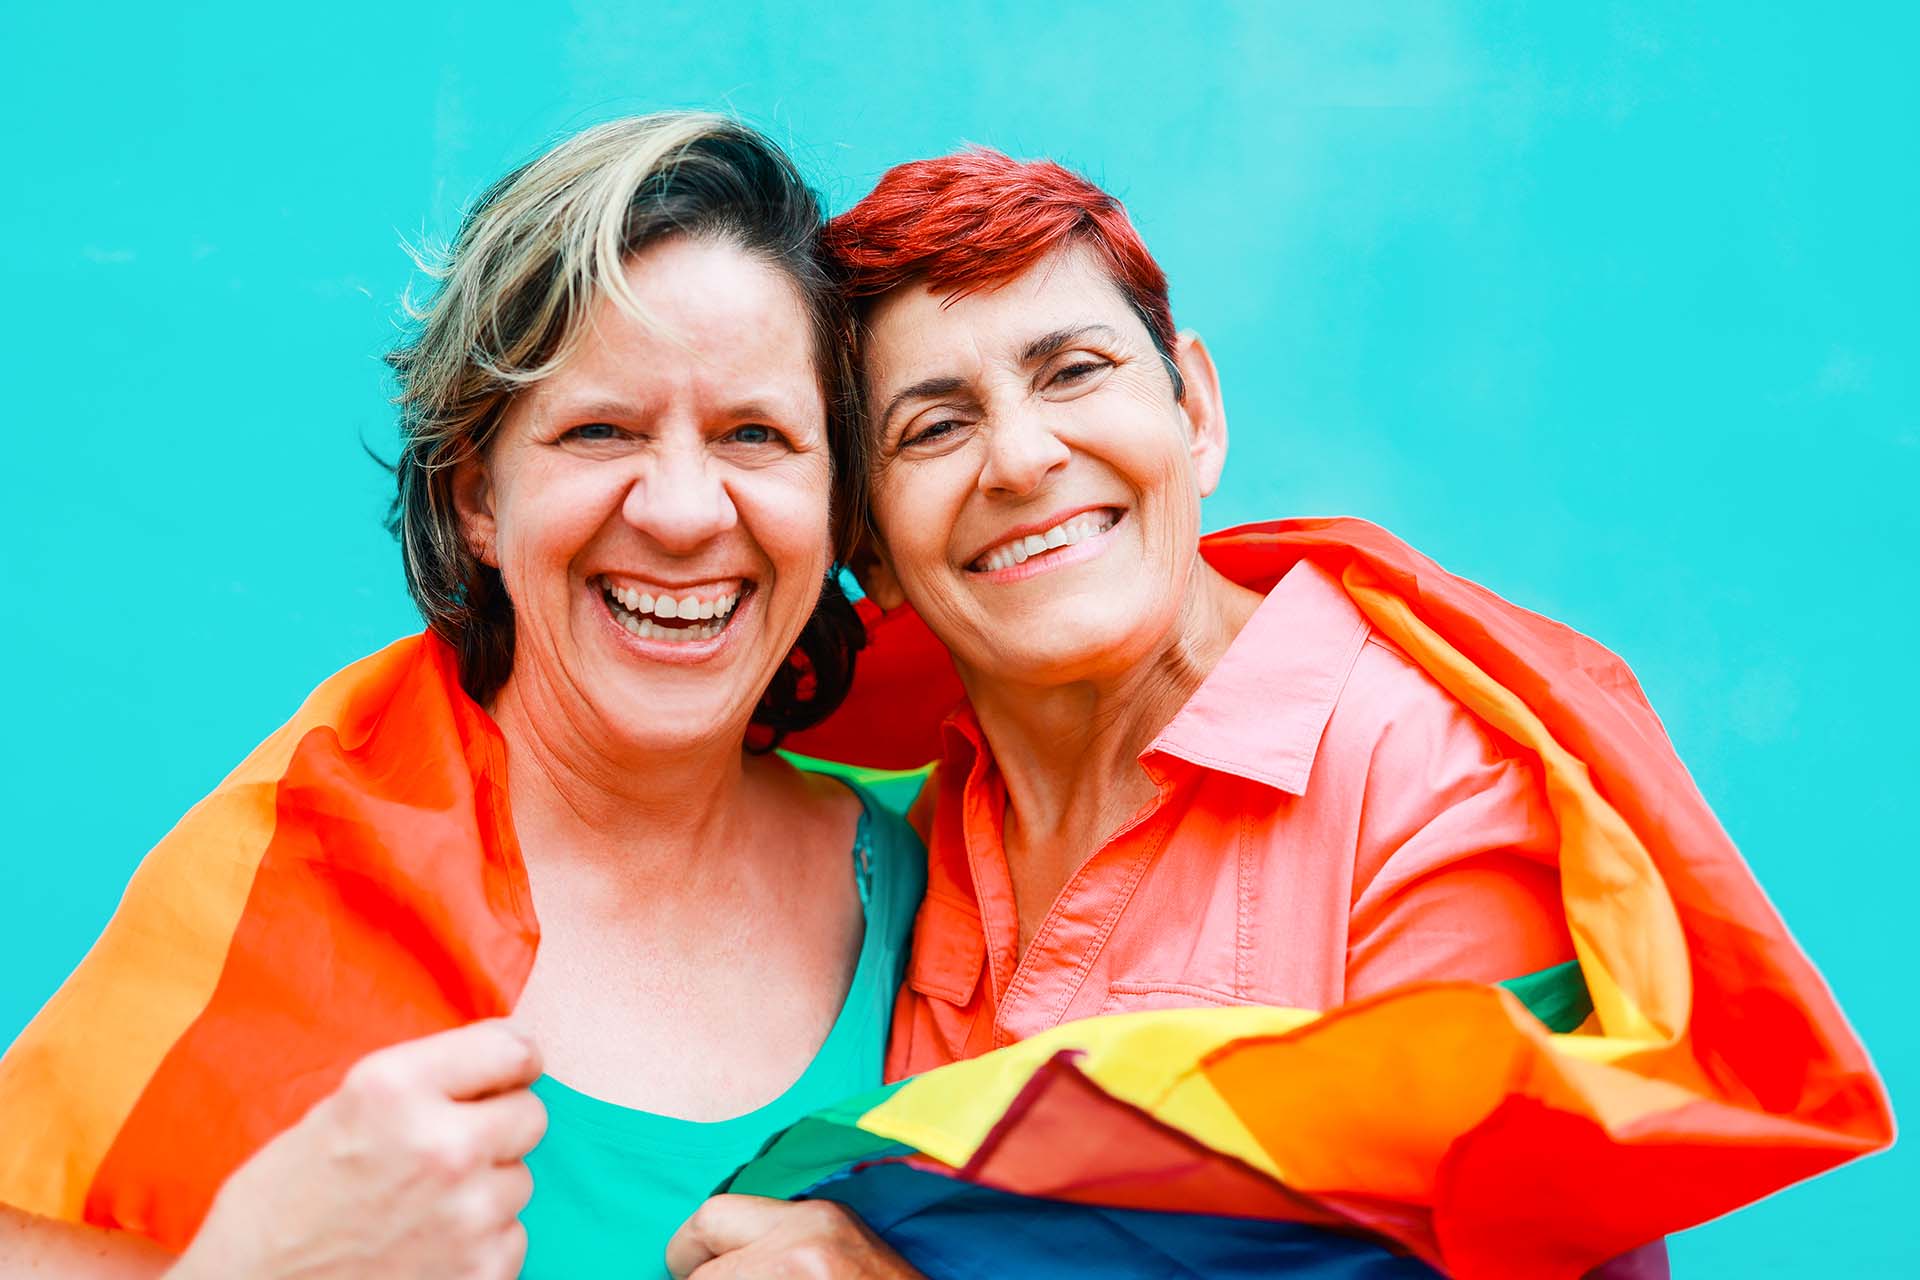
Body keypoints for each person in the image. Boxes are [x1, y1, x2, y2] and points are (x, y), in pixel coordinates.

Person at [666, 148, 1880, 1275]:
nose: (1023, 459)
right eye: (933, 425)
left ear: (1193, 407)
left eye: (1073, 370)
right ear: (864, 544)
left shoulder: (1437, 786)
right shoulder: (895, 843)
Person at [0, 112, 923, 1279]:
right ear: (477, 496)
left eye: (756, 433)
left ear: (839, 502)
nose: (684, 511)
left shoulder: (936, 876)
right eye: (600, 428)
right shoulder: (300, 871)